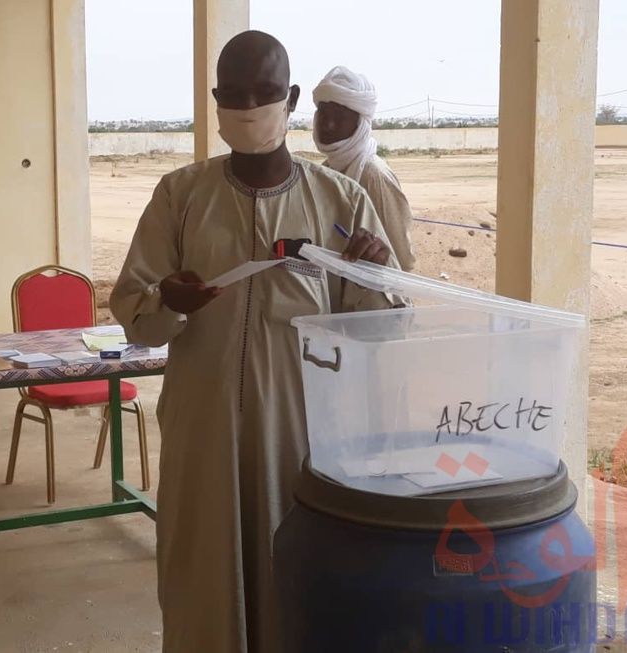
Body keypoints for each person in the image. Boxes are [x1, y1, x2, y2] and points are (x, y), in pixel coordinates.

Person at [110, 31, 402, 653]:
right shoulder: (179, 196)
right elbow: (136, 314)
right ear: (215, 100)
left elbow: (383, 327)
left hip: (301, 430)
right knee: (201, 572)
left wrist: (374, 272)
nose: (249, 107)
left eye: (265, 92)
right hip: (202, 427)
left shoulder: (340, 200)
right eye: (234, 94)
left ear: (290, 97)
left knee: (296, 566)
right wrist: (168, 298)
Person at [313, 65, 417, 271]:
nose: (329, 125)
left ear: (360, 122)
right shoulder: (326, 171)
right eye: (324, 115)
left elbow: (400, 260)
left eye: (340, 117)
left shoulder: (373, 174)